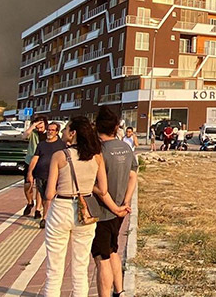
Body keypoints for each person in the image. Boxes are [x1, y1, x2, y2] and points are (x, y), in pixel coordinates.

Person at [42, 117, 128, 297]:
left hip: (61, 208)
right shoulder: (96, 157)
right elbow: (103, 189)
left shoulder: (59, 155)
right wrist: (86, 187)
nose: (64, 132)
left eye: (66, 129)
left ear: (73, 134)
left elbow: (49, 194)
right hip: (86, 210)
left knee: (54, 268)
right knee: (81, 268)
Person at [92, 108, 138, 297]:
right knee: (113, 251)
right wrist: (125, 203)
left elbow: (99, 187)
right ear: (116, 127)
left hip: (103, 212)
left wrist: (114, 207)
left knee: (101, 257)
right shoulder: (125, 147)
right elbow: (133, 176)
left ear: (97, 125)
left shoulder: (99, 151)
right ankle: (119, 291)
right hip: (120, 210)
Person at [22, 116, 49, 217]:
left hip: (42, 162)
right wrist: (33, 126)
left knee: (39, 186)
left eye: (41, 125)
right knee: (28, 185)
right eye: (37, 126)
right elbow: (24, 136)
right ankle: (30, 202)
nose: (39, 128)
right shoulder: (33, 133)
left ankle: (38, 210)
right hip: (30, 161)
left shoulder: (49, 134)